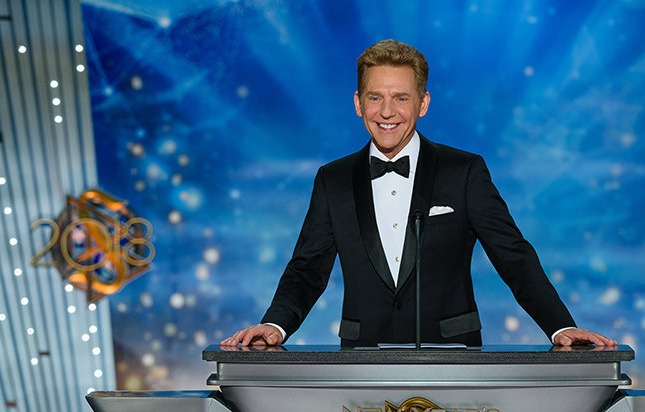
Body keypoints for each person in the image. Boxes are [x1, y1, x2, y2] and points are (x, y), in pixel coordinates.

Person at [222, 39, 615, 348]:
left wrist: (561, 326)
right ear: (358, 104)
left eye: (401, 98)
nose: (386, 111)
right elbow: (307, 268)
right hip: (360, 362)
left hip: (453, 358)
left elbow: (513, 256)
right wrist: (275, 324)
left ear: (423, 103)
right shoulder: (333, 179)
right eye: (375, 97)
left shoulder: (464, 171)